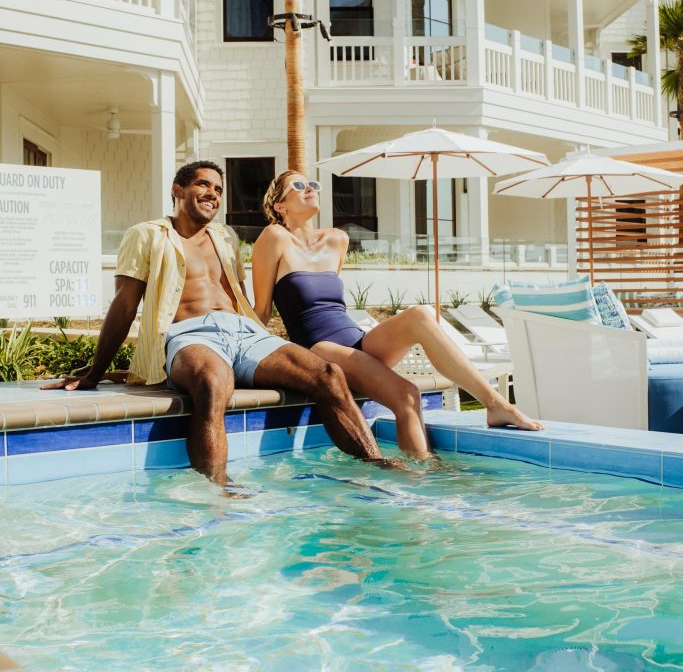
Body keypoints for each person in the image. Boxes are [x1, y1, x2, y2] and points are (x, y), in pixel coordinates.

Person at [42, 161, 381, 485]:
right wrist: (96, 371)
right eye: (202, 184)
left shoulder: (225, 238)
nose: (213, 193)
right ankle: (218, 488)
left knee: (328, 374)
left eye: (218, 188)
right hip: (189, 333)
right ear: (178, 190)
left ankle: (377, 466)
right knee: (213, 382)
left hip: (244, 333)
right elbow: (124, 305)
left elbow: (243, 299)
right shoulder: (147, 234)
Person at [252, 171, 543, 459]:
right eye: (299, 186)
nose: (310, 188)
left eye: (313, 184)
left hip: (355, 339)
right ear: (280, 206)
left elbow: (331, 304)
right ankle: (419, 481)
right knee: (407, 395)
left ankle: (493, 403)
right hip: (318, 349)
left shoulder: (336, 240)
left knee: (419, 314)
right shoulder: (275, 237)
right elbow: (262, 312)